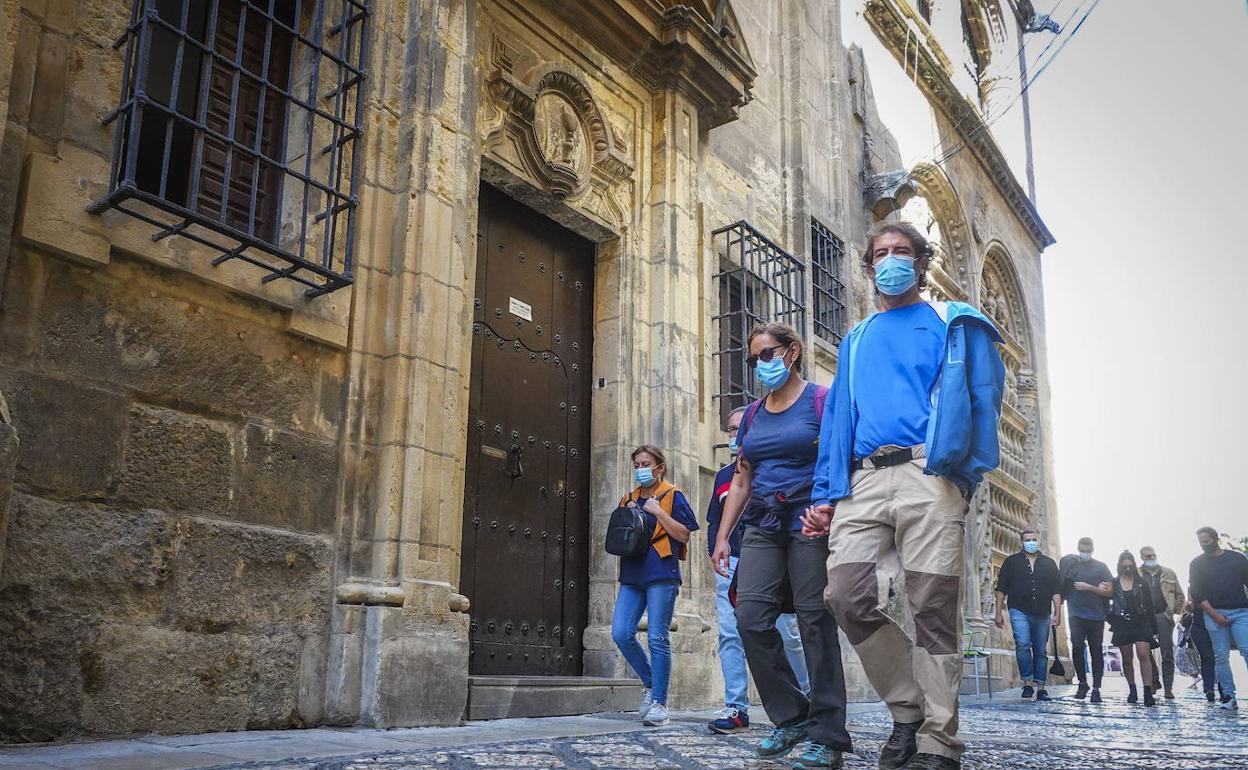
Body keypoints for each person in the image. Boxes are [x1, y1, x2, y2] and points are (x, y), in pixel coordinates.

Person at [805, 222, 1006, 770]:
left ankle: (939, 741)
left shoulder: (952, 321)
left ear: (920, 262)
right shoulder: (858, 337)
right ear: (869, 267)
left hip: (928, 471)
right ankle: (908, 710)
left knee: (933, 609)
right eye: (881, 254)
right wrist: (827, 493)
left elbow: (984, 400)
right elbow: (841, 417)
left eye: (901, 252)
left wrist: (963, 476)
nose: (891, 260)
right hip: (864, 478)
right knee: (846, 595)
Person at [711, 322, 851, 769]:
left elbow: (842, 457)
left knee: (814, 622)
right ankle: (791, 716)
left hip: (808, 522)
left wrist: (828, 507)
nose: (759, 365)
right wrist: (721, 538)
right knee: (749, 617)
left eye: (766, 355)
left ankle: (828, 734)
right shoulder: (752, 414)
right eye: (753, 359)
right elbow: (742, 476)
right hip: (762, 525)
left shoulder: (821, 400)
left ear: (792, 352)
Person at [705, 407, 811, 735]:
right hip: (733, 561)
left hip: (773, 560)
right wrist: (717, 547)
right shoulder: (724, 477)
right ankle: (737, 708)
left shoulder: (771, 469)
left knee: (787, 632)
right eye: (731, 429)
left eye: (741, 428)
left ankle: (806, 696)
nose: (735, 435)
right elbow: (714, 519)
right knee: (729, 633)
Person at [611, 445, 699, 727]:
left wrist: (659, 512)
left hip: (661, 572)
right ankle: (650, 682)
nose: (640, 470)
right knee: (621, 633)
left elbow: (684, 535)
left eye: (646, 464)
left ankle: (660, 702)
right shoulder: (628, 498)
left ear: (660, 467)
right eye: (636, 464)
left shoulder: (673, 495)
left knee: (657, 638)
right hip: (633, 573)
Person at [993, 529, 1061, 701]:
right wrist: (998, 612)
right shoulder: (1011, 562)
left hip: (1042, 611)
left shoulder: (1049, 563)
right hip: (1019, 609)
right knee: (1022, 644)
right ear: (1021, 543)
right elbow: (1001, 588)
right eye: (1027, 540)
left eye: (1034, 540)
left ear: (1038, 542)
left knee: (1040, 649)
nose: (1031, 543)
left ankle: (1041, 687)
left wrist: (1058, 613)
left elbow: (1056, 590)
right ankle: (1027, 683)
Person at [1189, 526, 1248, 711]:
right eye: (1201, 542)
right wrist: (1215, 615)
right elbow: (1197, 593)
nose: (1204, 545)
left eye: (1207, 541)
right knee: (1220, 656)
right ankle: (1229, 696)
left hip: (1240, 611)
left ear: (1215, 539)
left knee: (1247, 650)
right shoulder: (1197, 564)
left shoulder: (1237, 559)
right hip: (1213, 612)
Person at [1060, 537, 1113, 703]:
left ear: (1093, 550)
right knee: (1077, 646)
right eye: (1083, 550)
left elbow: (1110, 591)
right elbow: (1061, 582)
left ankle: (1096, 687)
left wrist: (1089, 587)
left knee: (1096, 651)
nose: (1085, 553)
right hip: (1076, 614)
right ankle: (1082, 683)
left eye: (1088, 551)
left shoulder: (1101, 567)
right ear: (1078, 548)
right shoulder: (1071, 565)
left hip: (1096, 616)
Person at [1108, 551, 1159, 707]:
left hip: (1141, 621)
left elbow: (1150, 605)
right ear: (1120, 566)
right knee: (1127, 659)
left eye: (1130, 565)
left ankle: (1147, 691)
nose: (1128, 568)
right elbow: (1107, 604)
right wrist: (1111, 620)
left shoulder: (1141, 582)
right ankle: (1132, 689)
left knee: (1144, 655)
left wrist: (1153, 627)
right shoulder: (1114, 583)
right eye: (1125, 566)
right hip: (1121, 623)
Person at [1138, 545, 1185, 699]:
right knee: (1145, 652)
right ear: (1142, 558)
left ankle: (1168, 688)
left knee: (1167, 652)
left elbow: (1180, 595)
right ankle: (1153, 680)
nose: (1151, 558)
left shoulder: (1168, 573)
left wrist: (1171, 612)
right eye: (1147, 556)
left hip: (1163, 615)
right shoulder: (1137, 574)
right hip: (1144, 618)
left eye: (1152, 555)